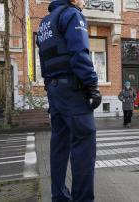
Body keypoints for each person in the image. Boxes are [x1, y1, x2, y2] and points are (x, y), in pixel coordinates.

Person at [37, 0, 101, 201]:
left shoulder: (45, 23)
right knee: (83, 143)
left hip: (54, 90)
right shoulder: (72, 14)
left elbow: (44, 58)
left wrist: (50, 87)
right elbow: (79, 53)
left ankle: (59, 196)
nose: (84, 2)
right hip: (73, 90)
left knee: (59, 145)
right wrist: (92, 85)